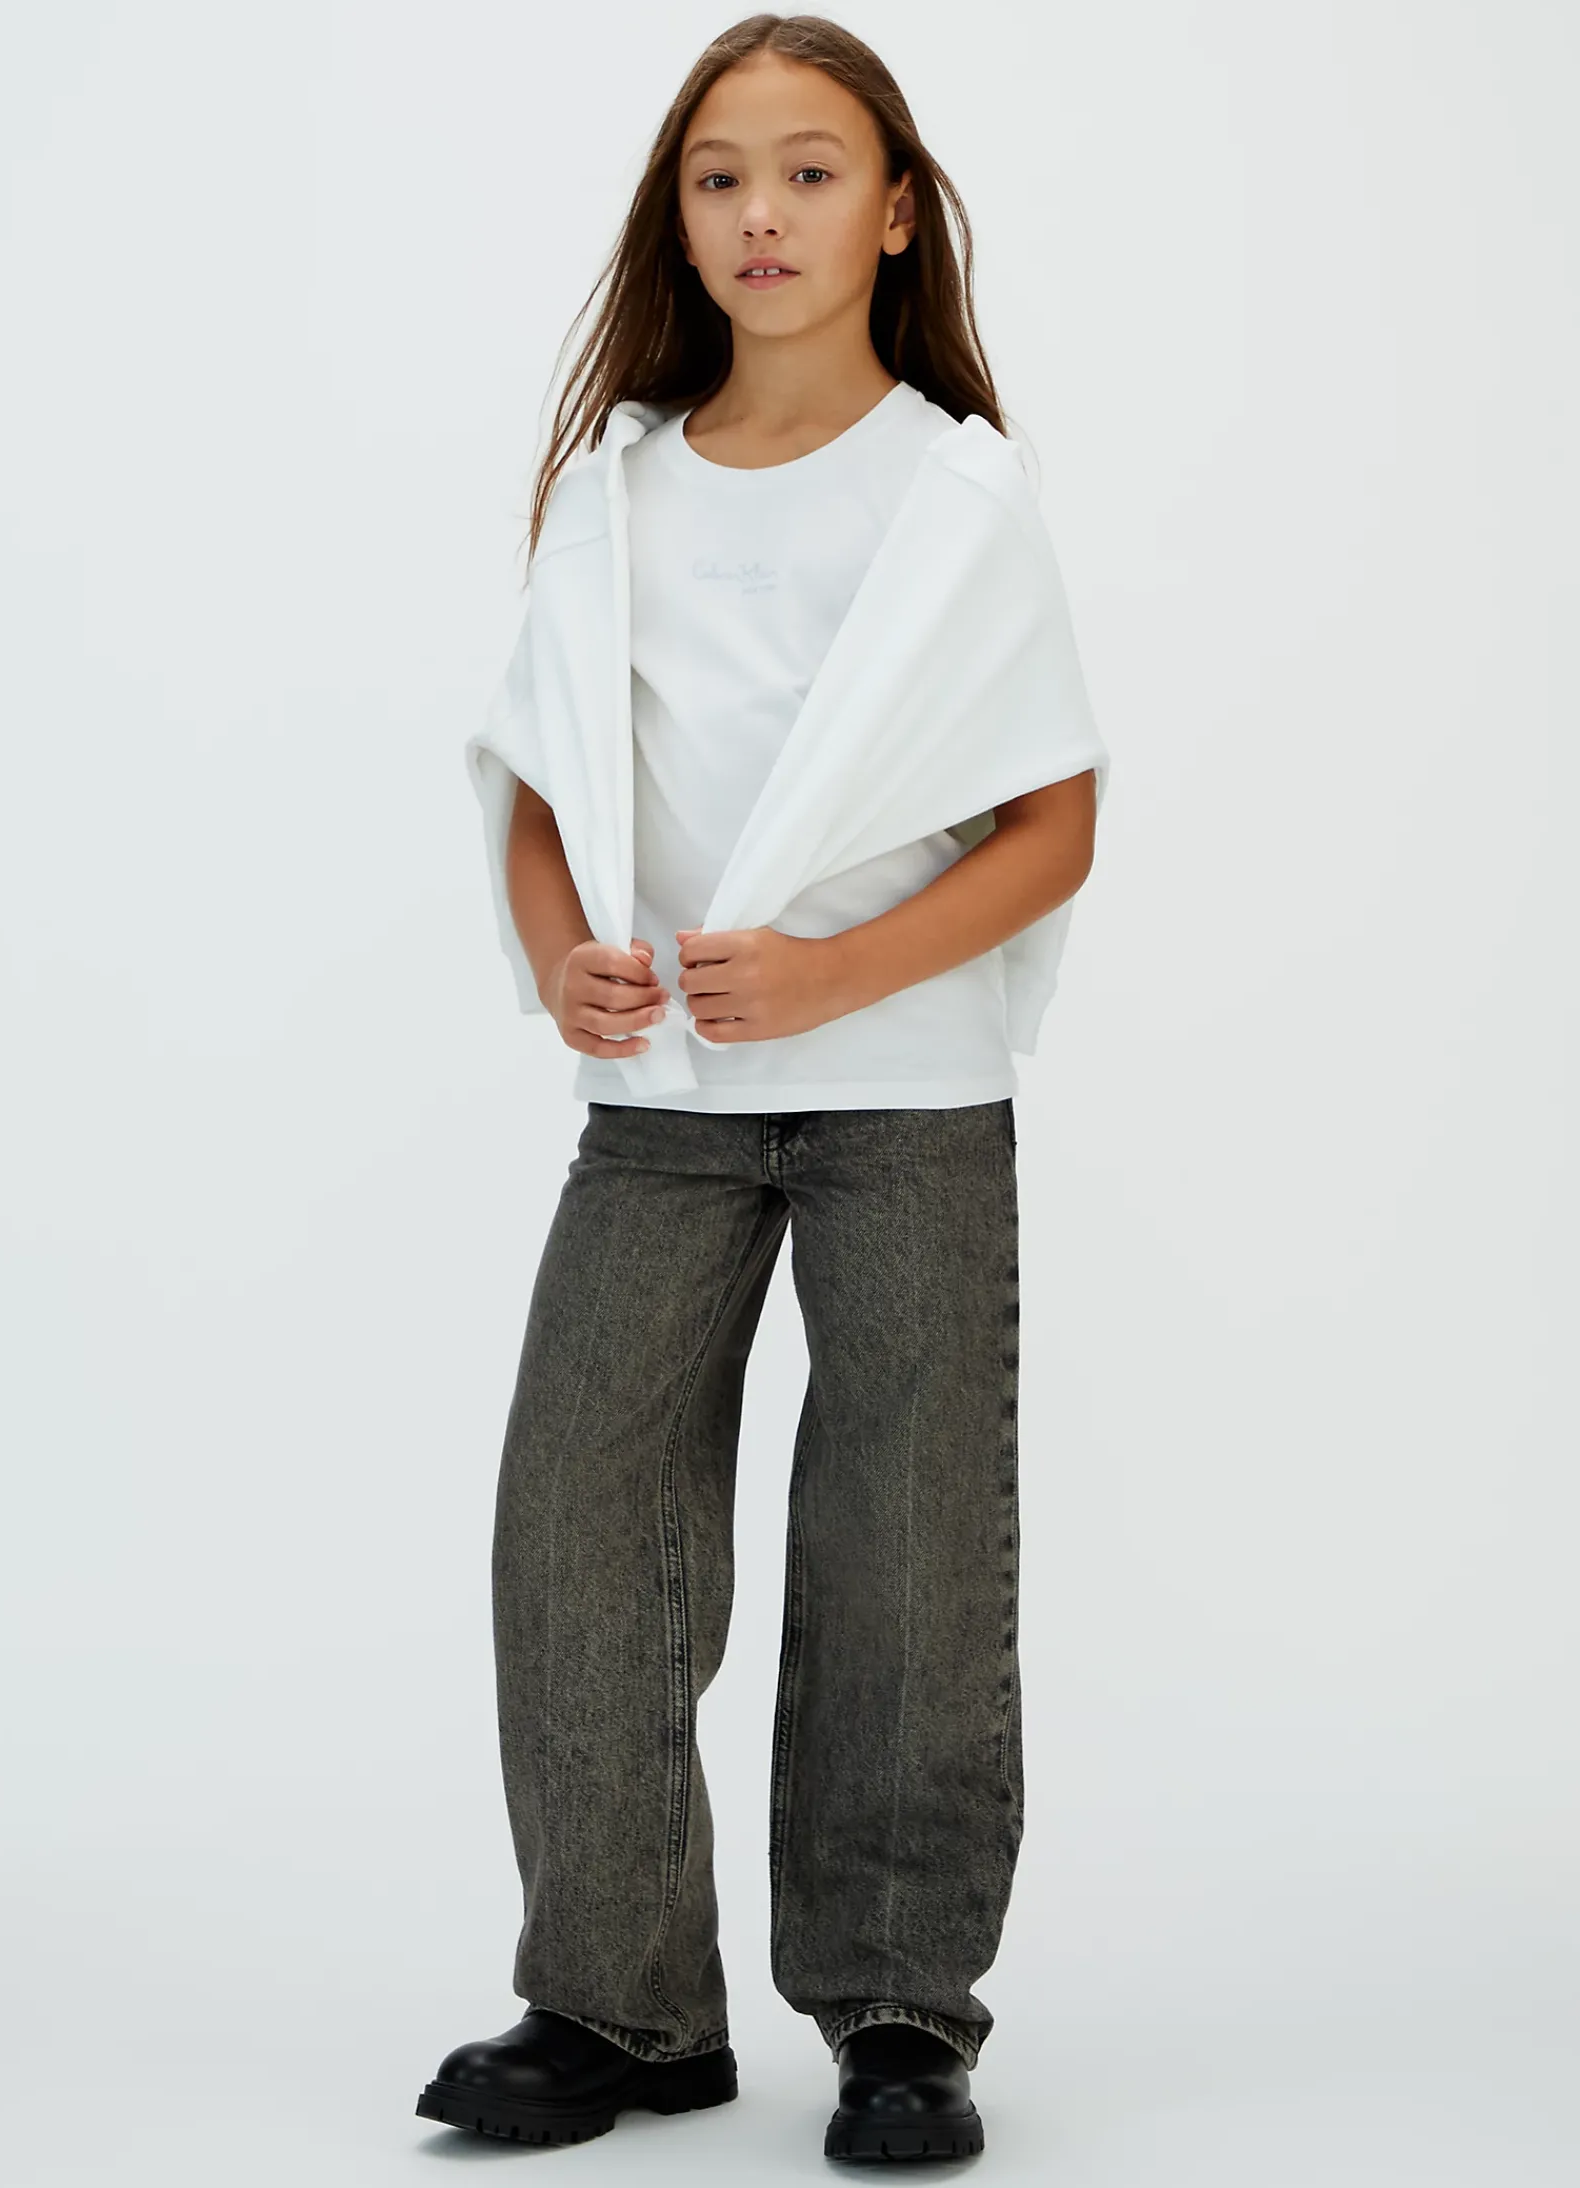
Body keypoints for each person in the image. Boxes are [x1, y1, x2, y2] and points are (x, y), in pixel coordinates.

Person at [415, 12, 1110, 2165]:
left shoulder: (956, 491)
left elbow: (1052, 825)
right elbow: (541, 787)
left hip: (907, 1095)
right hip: (661, 1111)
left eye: (812, 171)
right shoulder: (613, 490)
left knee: (908, 1552)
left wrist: (827, 974)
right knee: (577, 1524)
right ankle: (619, 2001)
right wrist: (562, 959)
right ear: (679, 216)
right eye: (720, 176)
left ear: (895, 214)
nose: (762, 213)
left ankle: (901, 2010)